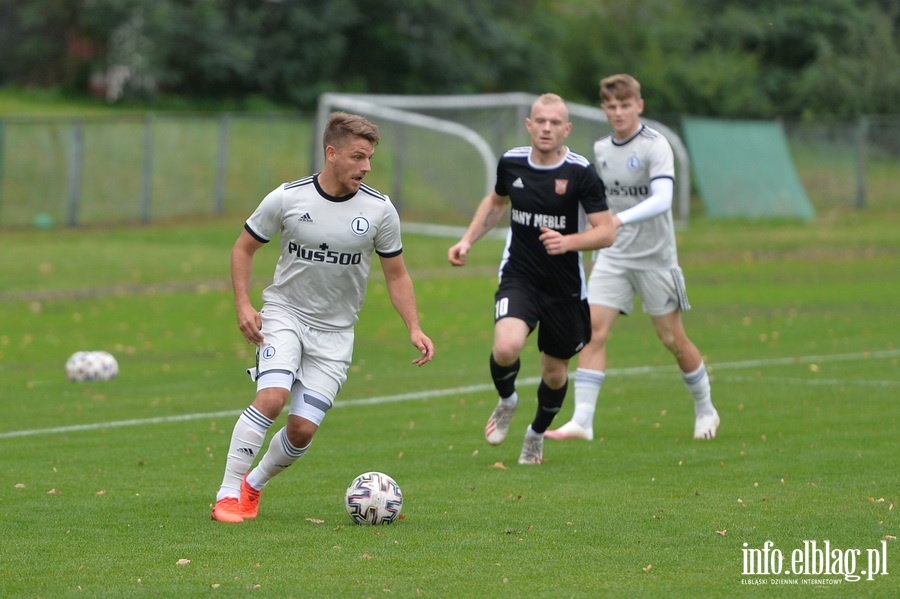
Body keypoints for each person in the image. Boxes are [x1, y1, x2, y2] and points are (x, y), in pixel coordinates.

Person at [211, 112, 435, 523]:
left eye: (369, 158)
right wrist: (244, 304)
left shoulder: (381, 210)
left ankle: (252, 486)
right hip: (285, 314)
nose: (366, 167)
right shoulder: (287, 198)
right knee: (272, 398)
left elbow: (396, 273)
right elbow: (242, 248)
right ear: (331, 153)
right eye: (357, 157)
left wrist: (414, 327)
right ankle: (226, 495)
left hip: (336, 333)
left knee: (302, 431)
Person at [545, 74, 719, 442]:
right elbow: (595, 203)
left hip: (656, 258)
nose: (618, 112)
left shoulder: (657, 146)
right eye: (611, 106)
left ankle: (705, 408)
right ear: (604, 109)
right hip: (614, 255)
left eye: (625, 105)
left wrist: (618, 220)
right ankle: (583, 421)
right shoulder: (602, 149)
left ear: (639, 105)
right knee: (592, 332)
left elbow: (662, 200)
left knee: (672, 338)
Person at [448, 93, 616, 465]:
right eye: (540, 120)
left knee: (554, 374)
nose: (546, 128)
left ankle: (536, 433)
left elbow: (606, 231)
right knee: (506, 347)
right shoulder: (511, 163)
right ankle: (507, 400)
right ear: (529, 124)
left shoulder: (580, 173)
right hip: (520, 275)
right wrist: (466, 240)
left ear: (566, 129)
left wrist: (568, 241)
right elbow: (495, 203)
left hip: (565, 288)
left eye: (555, 122)